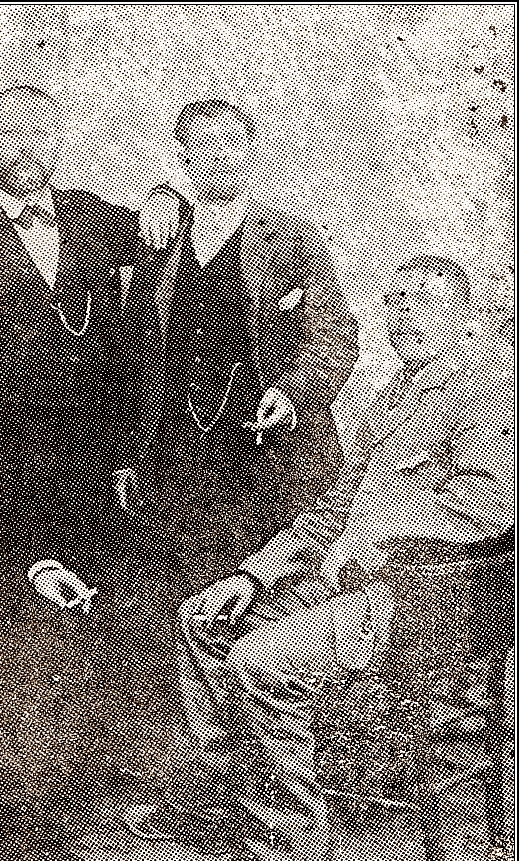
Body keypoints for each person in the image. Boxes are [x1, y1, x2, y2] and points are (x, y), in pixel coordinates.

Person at [124, 255, 515, 861]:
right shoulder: (381, 403)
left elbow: (476, 515)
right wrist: (256, 573)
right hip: (372, 590)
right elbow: (338, 514)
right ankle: (252, 805)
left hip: (437, 601)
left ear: (469, 323)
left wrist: (373, 545)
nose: (404, 321)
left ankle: (306, 839)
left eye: (425, 306)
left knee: (260, 658)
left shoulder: (483, 402)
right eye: (395, 307)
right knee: (211, 629)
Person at [0, 84, 181, 599]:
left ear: (57, 142)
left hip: (97, 454)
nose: (23, 147)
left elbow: (138, 343)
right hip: (0, 455)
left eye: (36, 132)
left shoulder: (107, 222)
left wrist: (133, 450)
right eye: (8, 133)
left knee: (114, 607)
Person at [116, 99, 359, 592]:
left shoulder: (292, 235)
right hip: (180, 456)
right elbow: (133, 349)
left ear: (251, 151)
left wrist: (291, 392)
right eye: (200, 147)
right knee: (185, 600)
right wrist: (131, 452)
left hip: (276, 450)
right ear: (182, 156)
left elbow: (337, 333)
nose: (217, 158)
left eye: (230, 144)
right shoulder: (157, 238)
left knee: (270, 598)